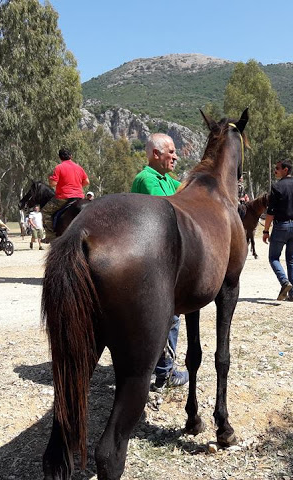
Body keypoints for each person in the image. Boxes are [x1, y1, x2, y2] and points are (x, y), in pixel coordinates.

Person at [131, 133, 189, 390]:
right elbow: (168, 208)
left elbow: (183, 188)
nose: (176, 157)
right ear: (156, 154)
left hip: (162, 255)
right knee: (169, 315)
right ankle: (164, 372)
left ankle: (158, 366)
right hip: (154, 258)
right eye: (171, 152)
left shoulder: (165, 178)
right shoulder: (147, 179)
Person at [262, 160, 293, 302]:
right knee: (291, 261)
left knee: (273, 258)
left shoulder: (277, 187)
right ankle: (292, 294)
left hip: (281, 226)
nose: (275, 171)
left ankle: (284, 282)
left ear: (286, 170)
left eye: (277, 168)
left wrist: (265, 230)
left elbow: (270, 212)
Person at [42, 147, 89, 241]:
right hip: (79, 196)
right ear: (71, 156)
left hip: (63, 197)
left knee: (45, 211)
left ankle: (50, 236)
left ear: (60, 157)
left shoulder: (59, 167)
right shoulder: (78, 167)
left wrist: (50, 179)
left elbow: (53, 184)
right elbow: (87, 182)